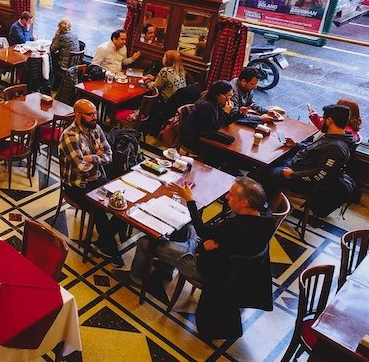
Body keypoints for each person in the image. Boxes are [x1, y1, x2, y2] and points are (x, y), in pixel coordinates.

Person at [125, 177, 275, 285]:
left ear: (244, 202)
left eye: (231, 195)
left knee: (145, 242)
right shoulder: (267, 217)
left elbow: (203, 231)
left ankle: (136, 277)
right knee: (184, 226)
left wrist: (190, 200)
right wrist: (209, 243)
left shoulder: (236, 226)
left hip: (206, 267)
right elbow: (215, 237)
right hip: (223, 257)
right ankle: (165, 271)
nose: (227, 197)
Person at [60, 99, 124, 265]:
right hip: (76, 184)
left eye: (95, 113)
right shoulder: (69, 136)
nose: (95, 117)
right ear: (78, 115)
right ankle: (111, 251)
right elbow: (81, 168)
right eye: (90, 114)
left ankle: (104, 239)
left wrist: (92, 157)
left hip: (97, 178)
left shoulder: (96, 128)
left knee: (123, 201)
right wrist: (98, 156)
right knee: (99, 209)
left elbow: (109, 155)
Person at [255, 104, 355, 200]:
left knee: (264, 173)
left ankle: (260, 205)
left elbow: (320, 174)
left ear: (329, 121)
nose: (321, 120)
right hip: (296, 165)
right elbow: (314, 149)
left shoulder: (336, 148)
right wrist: (296, 145)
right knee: (265, 164)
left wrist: (293, 175)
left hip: (300, 180)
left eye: (323, 118)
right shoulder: (334, 136)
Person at [180, 80, 239, 155]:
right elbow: (212, 128)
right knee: (225, 152)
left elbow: (225, 122)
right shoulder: (206, 106)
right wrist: (226, 113)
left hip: (203, 135)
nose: (229, 99)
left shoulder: (217, 102)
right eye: (228, 96)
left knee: (231, 142)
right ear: (218, 95)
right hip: (192, 139)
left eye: (231, 96)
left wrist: (240, 113)